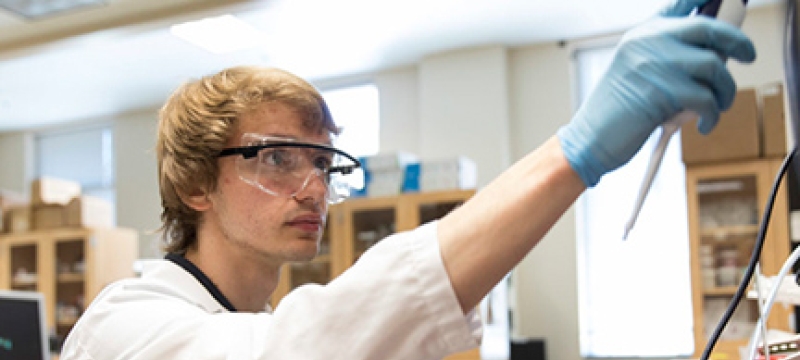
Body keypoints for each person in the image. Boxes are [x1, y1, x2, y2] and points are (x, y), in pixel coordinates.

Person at [59, 0, 756, 358]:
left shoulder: (253, 318)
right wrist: (571, 153)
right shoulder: (126, 328)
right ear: (194, 186)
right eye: (277, 157)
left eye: (323, 162)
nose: (311, 187)